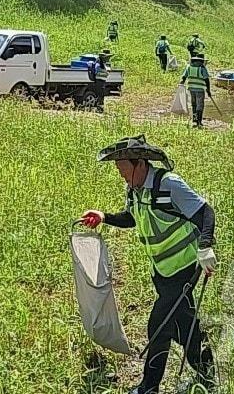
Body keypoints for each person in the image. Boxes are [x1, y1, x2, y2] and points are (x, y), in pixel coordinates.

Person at [80, 136, 217, 394]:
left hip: (185, 269)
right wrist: (104, 217)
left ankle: (149, 387)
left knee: (158, 326)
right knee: (184, 325)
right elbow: (132, 218)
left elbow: (205, 212)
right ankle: (208, 374)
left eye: (123, 169)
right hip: (162, 273)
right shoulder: (135, 190)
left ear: (140, 163)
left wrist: (206, 247)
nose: (121, 175)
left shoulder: (169, 185)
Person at [180, 54, 211, 128]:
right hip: (200, 89)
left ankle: (194, 120)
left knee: (194, 104)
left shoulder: (188, 67)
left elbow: (183, 77)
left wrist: (181, 84)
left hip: (191, 88)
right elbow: (207, 79)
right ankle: (199, 121)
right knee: (200, 105)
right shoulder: (202, 68)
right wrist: (208, 90)